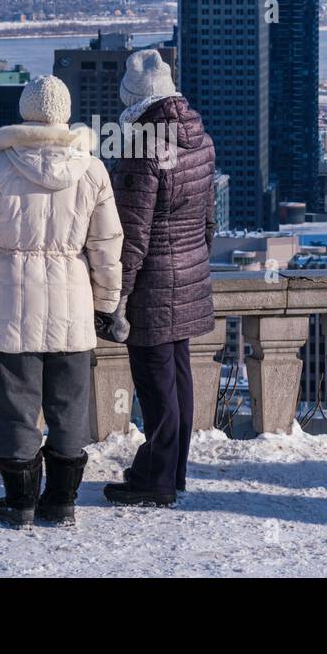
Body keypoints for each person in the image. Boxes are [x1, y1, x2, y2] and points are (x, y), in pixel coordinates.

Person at [0, 74, 123, 527]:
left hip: (11, 308)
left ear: (26, 112)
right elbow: (107, 247)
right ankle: (62, 502)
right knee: (70, 408)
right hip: (73, 308)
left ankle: (19, 503)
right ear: (65, 114)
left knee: (14, 408)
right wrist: (106, 306)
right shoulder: (92, 169)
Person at [102, 50, 216, 507]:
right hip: (190, 273)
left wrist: (118, 295)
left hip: (153, 282)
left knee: (154, 381)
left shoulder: (141, 147)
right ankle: (174, 471)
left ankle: (155, 480)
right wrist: (194, 263)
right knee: (179, 376)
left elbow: (132, 234)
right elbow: (209, 219)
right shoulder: (200, 138)